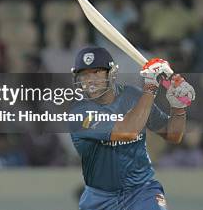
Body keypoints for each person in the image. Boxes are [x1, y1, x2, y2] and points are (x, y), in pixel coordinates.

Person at [69, 46, 195, 209]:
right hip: (100, 199)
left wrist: (178, 107)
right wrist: (150, 87)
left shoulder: (133, 96)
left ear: (111, 73)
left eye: (97, 72)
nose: (90, 80)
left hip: (141, 191)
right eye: (84, 74)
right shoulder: (79, 113)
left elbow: (173, 135)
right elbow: (127, 132)